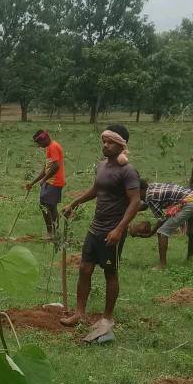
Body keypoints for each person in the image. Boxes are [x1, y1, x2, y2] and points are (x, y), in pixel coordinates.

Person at [59, 125, 142, 327]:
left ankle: (107, 317)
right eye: (104, 141)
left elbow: (135, 202)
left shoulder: (128, 171)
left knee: (110, 272)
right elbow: (96, 190)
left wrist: (119, 230)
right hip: (95, 227)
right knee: (84, 269)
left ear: (121, 145)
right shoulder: (102, 166)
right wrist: (74, 204)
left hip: (112, 230)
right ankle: (79, 313)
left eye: (110, 142)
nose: (105, 145)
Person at [132, 179, 193, 268]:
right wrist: (130, 210)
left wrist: (151, 233)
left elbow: (162, 219)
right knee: (192, 232)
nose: (135, 196)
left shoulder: (150, 197)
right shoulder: (151, 187)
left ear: (141, 190)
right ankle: (190, 258)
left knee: (162, 232)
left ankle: (162, 265)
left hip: (188, 204)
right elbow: (145, 205)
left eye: (136, 193)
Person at [24, 130, 65, 240]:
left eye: (39, 143)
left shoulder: (53, 147)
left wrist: (44, 179)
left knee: (47, 205)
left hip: (54, 181)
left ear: (45, 139)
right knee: (48, 205)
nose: (39, 145)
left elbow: (56, 166)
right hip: (50, 181)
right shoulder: (49, 148)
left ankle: (52, 233)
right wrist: (33, 182)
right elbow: (46, 168)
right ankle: (53, 233)